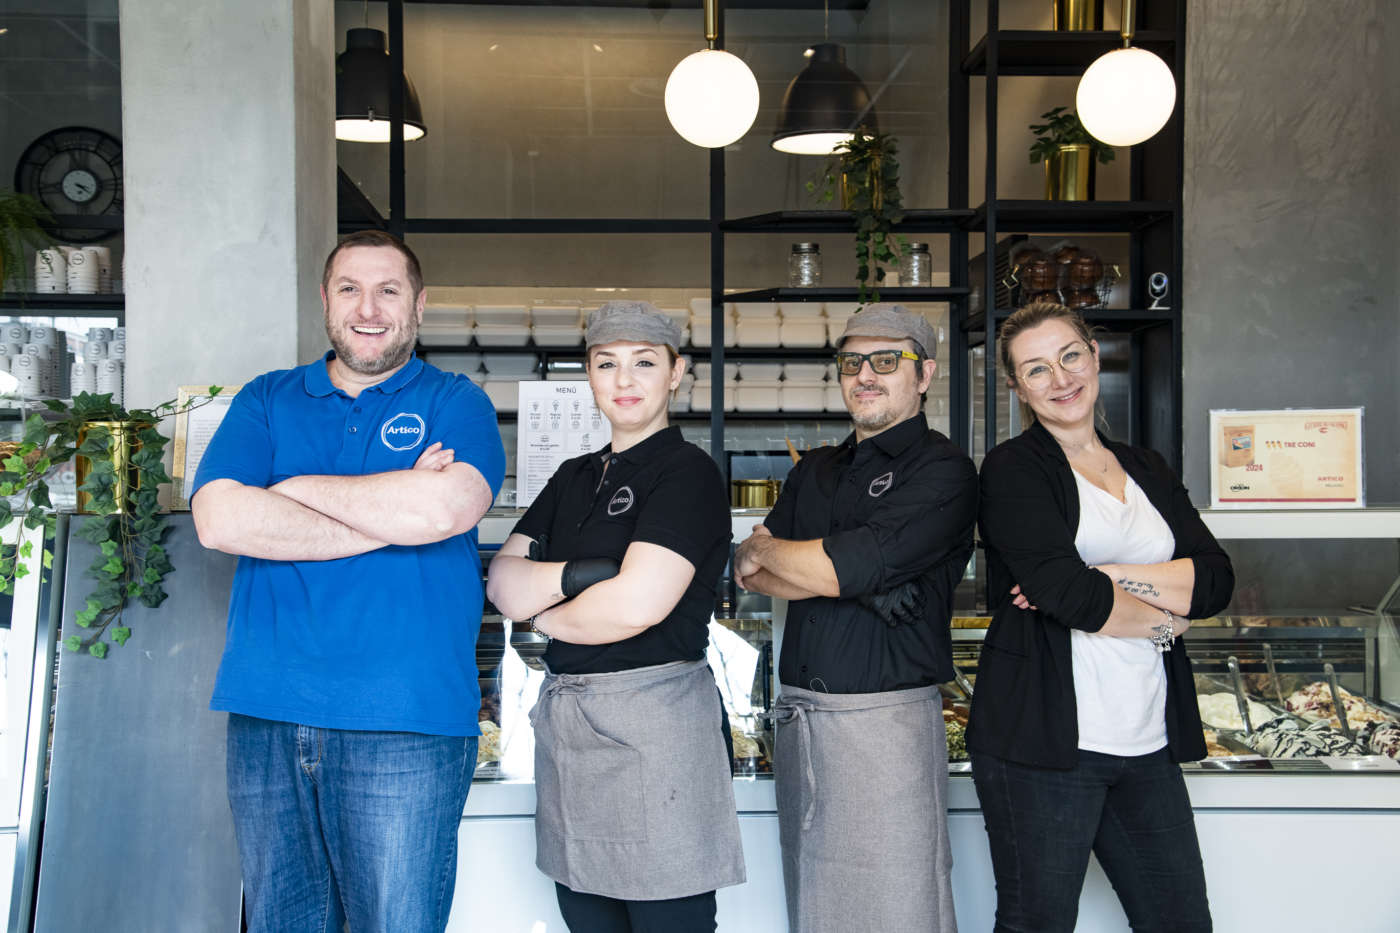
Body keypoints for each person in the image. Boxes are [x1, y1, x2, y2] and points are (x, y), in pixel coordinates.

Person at [190, 230, 505, 933]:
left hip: (406, 719)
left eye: (388, 290)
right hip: (269, 711)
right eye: (350, 289)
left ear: (418, 305)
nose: (369, 308)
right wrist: (391, 511)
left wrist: (290, 489)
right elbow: (218, 519)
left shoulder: (457, 401)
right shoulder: (267, 398)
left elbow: (443, 510)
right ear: (325, 300)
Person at [968, 301, 1235, 932]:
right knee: (1037, 923)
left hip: (1148, 738)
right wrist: (1167, 619)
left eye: (1070, 356)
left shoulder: (1146, 467)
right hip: (1042, 744)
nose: (1060, 379)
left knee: (1181, 923)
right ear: (1017, 388)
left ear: (1093, 355)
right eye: (1037, 369)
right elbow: (1068, 596)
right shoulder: (1012, 468)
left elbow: (1216, 580)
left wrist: (1107, 573)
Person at [485, 301, 744, 933]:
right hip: (571, 729)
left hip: (657, 729)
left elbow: (635, 605)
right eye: (606, 364)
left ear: (676, 373)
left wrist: (542, 613)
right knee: (586, 915)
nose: (624, 380)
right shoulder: (573, 476)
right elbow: (503, 583)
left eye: (644, 363)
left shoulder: (688, 473)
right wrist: (583, 579)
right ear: (589, 375)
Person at [733, 304, 977, 933]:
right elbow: (750, 571)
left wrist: (815, 564)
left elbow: (833, 569)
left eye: (886, 361)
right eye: (852, 362)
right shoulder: (815, 469)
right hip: (801, 723)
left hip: (886, 729)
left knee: (900, 907)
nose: (865, 374)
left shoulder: (944, 469)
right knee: (814, 907)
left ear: (924, 375)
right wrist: (843, 574)